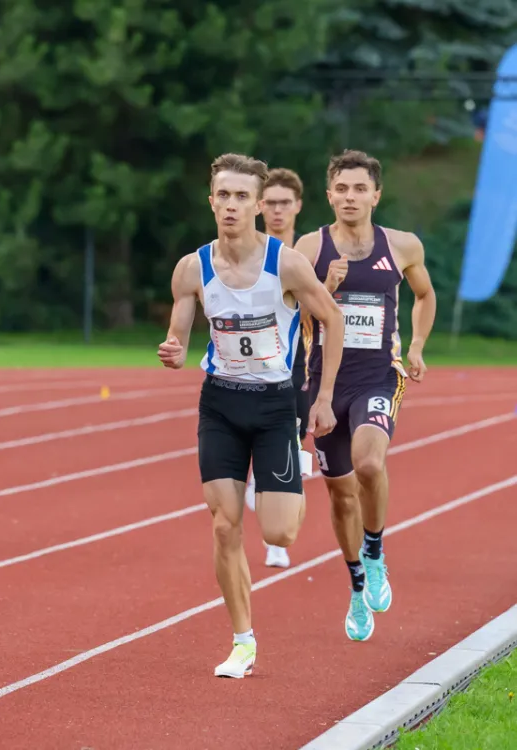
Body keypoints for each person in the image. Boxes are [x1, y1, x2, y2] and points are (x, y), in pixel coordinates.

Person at [158, 153, 344, 679]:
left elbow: (331, 321)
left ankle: (283, 472)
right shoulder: (192, 267)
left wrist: (324, 397)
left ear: (259, 205)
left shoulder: (285, 264)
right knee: (224, 526)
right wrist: (173, 349)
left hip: (274, 405)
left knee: (281, 533)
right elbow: (179, 330)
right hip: (219, 402)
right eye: (224, 195)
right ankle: (243, 641)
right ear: (210, 199)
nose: (232, 205)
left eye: (242, 197)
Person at [295, 149, 436, 642]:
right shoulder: (309, 248)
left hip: (379, 375)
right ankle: (357, 587)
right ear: (328, 194)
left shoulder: (401, 246)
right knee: (340, 493)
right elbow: (290, 308)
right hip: (324, 383)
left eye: (360, 188)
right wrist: (319, 288)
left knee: (370, 464)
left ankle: (375, 552)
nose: (350, 197)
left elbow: (424, 294)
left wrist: (416, 345)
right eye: (342, 188)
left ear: (376, 194)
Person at [245, 167, 309, 569]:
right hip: (250, 365)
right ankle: (257, 486)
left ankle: (277, 542)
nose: (276, 210)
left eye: (284, 203)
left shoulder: (310, 255)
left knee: (292, 454)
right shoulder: (248, 253)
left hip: (297, 368)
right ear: (259, 205)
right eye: (269, 202)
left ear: (298, 206)